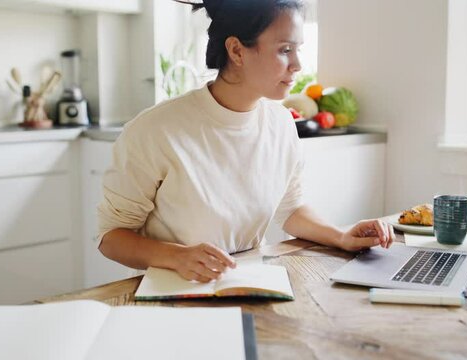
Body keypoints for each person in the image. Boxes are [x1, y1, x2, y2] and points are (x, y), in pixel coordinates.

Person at [98, 0, 394, 283]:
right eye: (285, 49)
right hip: (171, 296)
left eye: (298, 49)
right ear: (237, 51)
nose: (297, 64)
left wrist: (340, 236)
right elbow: (111, 237)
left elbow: (290, 209)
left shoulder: (280, 123)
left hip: (249, 284)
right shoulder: (155, 130)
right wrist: (178, 257)